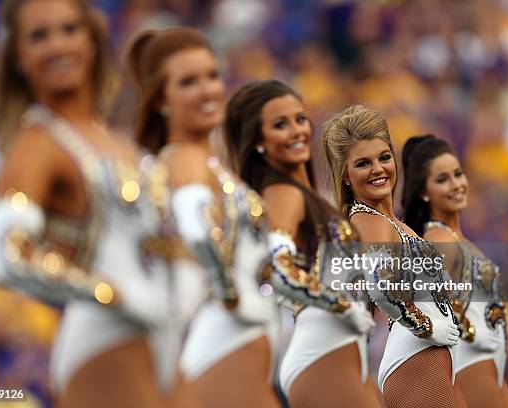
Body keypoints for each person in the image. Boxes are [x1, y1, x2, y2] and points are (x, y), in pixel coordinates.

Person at [0, 1, 176, 407]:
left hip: (164, 338)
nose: (58, 45)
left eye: (70, 29)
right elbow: (6, 256)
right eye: (39, 36)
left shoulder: (116, 140)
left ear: (92, 40)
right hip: (104, 343)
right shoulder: (38, 143)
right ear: (18, 57)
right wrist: (108, 292)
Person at [127, 27, 279, 408]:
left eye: (212, 75)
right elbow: (198, 232)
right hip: (220, 351)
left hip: (236, 350)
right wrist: (231, 295)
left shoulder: (211, 163)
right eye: (189, 82)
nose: (208, 89)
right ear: (161, 99)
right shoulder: (184, 159)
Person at [224, 79, 377, 408]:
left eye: (299, 118)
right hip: (321, 351)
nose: (297, 130)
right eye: (280, 124)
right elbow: (276, 268)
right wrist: (340, 305)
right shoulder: (284, 194)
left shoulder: (304, 195)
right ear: (258, 142)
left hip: (337, 351)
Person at [323, 105, 466, 407]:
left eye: (384, 158)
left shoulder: (392, 223)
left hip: (431, 360)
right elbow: (381, 286)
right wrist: (427, 326)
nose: (377, 169)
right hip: (415, 360)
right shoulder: (367, 220)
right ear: (345, 175)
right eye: (363, 163)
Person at [401, 134, 508, 407]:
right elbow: (429, 302)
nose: (456, 185)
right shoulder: (439, 240)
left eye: (458, 174)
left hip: (489, 365)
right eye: (442, 179)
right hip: (471, 364)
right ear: (423, 192)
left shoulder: (457, 238)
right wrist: (470, 331)